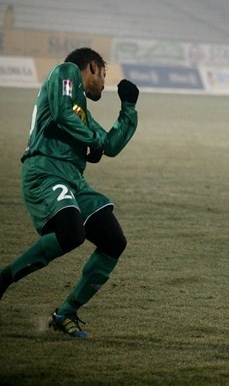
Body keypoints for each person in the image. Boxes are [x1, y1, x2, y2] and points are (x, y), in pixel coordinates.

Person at [0, 47, 139, 338]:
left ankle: (65, 312)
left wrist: (128, 108)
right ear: (92, 67)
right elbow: (63, 114)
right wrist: (92, 142)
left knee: (114, 241)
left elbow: (109, 145)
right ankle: (3, 280)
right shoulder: (65, 73)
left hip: (74, 181)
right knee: (71, 233)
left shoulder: (82, 113)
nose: (104, 82)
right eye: (103, 75)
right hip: (45, 171)